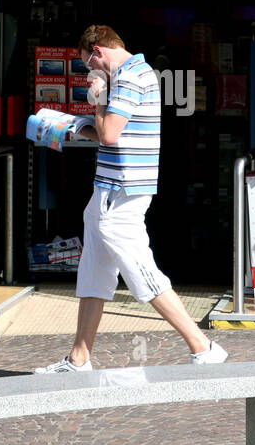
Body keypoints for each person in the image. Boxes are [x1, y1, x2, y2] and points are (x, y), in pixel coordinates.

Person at [36, 25, 228, 372]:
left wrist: (96, 100)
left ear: (98, 51)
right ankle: (79, 357)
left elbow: (109, 133)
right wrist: (78, 124)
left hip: (119, 193)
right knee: (94, 273)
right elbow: (116, 131)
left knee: (142, 272)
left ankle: (203, 345)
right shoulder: (138, 73)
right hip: (111, 191)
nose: (89, 73)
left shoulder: (126, 79)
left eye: (88, 66)